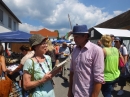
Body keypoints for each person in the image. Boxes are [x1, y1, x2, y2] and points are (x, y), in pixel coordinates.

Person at [68, 25, 104, 97]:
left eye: (76, 37)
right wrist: (70, 90)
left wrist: (94, 95)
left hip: (87, 93)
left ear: (85, 36)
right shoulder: (75, 49)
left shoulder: (96, 50)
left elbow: (99, 78)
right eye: (74, 36)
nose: (74, 39)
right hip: (74, 92)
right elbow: (72, 71)